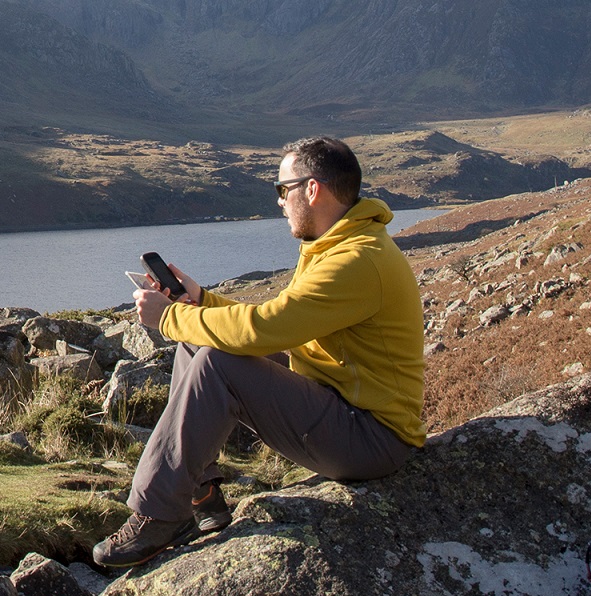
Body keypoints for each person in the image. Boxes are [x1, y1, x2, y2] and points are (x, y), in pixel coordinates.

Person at [94, 136, 426, 567]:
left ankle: (159, 513)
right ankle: (202, 495)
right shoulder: (338, 246)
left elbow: (263, 330)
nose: (280, 202)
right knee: (202, 342)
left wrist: (168, 318)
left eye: (282, 189)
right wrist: (201, 300)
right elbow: (281, 323)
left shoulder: (358, 260)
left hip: (369, 438)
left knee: (217, 362)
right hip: (343, 409)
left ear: (312, 189)